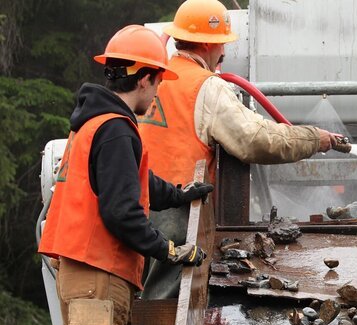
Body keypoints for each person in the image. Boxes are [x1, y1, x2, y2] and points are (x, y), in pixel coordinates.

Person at [39, 25, 212, 325]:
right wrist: (169, 250)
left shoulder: (95, 124)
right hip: (99, 275)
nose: (157, 96)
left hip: (80, 270)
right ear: (146, 77)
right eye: (158, 83)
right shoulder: (116, 129)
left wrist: (180, 194)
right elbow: (121, 211)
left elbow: (135, 182)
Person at [139, 0, 346, 299]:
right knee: (166, 307)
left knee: (137, 303)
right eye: (222, 44)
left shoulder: (152, 76)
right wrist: (315, 138)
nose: (224, 52)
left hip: (135, 205)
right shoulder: (206, 87)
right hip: (176, 212)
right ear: (210, 44)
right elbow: (255, 140)